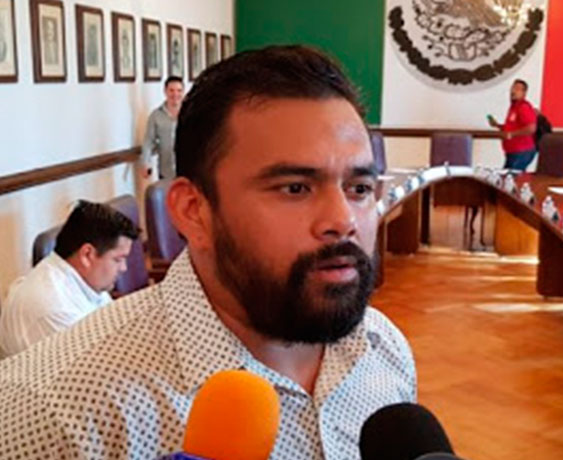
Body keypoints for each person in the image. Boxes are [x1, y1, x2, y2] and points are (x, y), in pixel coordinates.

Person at [0, 46, 416, 459]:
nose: (343, 220)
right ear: (193, 211)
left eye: (359, 189)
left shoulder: (384, 347)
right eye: (295, 188)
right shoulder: (50, 413)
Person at [0, 201, 138, 357]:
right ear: (87, 254)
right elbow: (100, 363)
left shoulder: (84, 279)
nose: (123, 268)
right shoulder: (56, 309)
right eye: (118, 259)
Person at [488, 78, 538, 171]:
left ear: (524, 93)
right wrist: (497, 125)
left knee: (510, 177)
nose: (513, 91)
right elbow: (512, 127)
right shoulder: (514, 107)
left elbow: (531, 128)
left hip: (521, 151)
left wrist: (511, 134)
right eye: (512, 88)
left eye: (517, 89)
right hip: (513, 151)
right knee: (508, 176)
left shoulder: (524, 107)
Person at [141, 76, 184, 179]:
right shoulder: (156, 115)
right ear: (165, 91)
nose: (175, 94)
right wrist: (146, 163)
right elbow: (148, 141)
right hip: (166, 172)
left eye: (179, 90)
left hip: (188, 172)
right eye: (171, 90)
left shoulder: (190, 113)